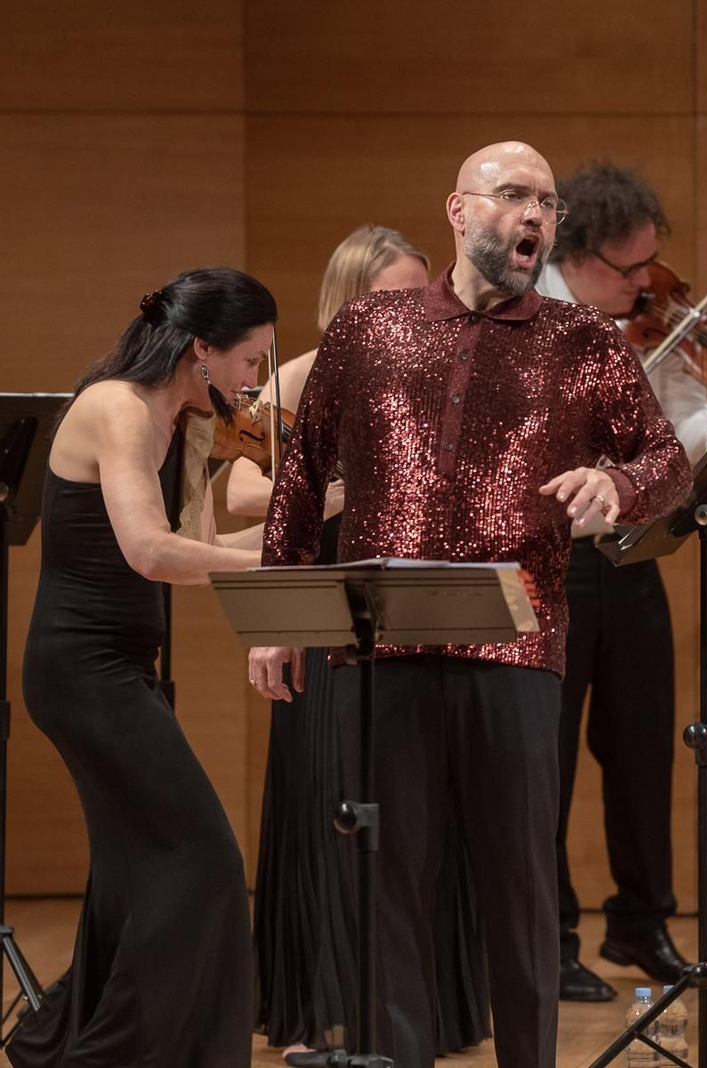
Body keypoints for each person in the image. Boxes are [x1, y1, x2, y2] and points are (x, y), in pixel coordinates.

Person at [248, 141, 692, 1068]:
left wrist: (621, 485)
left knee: (519, 891)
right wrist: (281, 618)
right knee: (390, 887)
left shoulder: (587, 344)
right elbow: (300, 474)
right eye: (514, 196)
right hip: (384, 650)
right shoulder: (372, 327)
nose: (535, 216)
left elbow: (668, 462)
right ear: (458, 209)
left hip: (518, 653)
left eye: (548, 203)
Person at [537, 161, 707, 1001]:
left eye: (651, 265)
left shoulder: (652, 322)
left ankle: (641, 921)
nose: (647, 286)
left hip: (634, 552)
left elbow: (685, 423)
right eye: (629, 271)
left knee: (643, 747)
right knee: (545, 760)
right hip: (549, 564)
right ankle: (547, 940)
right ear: (576, 257)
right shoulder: (528, 314)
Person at [229, 225, 492, 1056]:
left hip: (416, 615)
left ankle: (422, 1014)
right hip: (326, 613)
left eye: (417, 297)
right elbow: (237, 494)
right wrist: (338, 491)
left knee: (421, 813)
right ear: (343, 305)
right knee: (329, 806)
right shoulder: (296, 379)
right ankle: (328, 1015)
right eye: (384, 300)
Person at [9, 267, 275, 1068]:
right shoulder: (116, 407)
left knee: (135, 873)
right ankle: (121, 1052)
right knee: (204, 859)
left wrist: (310, 530)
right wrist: (268, 570)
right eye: (252, 360)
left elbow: (201, 548)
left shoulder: (185, 421)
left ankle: (73, 1043)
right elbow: (151, 553)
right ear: (203, 349)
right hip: (81, 671)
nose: (255, 382)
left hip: (122, 667)